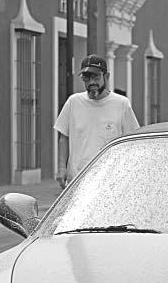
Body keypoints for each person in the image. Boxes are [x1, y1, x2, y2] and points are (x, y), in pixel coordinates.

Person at [54, 54, 140, 189]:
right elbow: (64, 136)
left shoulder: (121, 104)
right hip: (77, 181)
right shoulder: (73, 102)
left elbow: (131, 142)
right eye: (86, 78)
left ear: (106, 76)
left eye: (96, 77)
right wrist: (61, 168)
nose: (91, 82)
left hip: (110, 182)